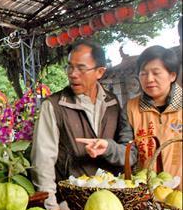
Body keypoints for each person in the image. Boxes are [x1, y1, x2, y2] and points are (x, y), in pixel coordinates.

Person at [31, 39, 134, 210]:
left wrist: (108, 148)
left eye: (81, 68)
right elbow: (43, 160)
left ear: (100, 72)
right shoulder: (54, 106)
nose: (73, 74)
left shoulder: (112, 103)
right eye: (69, 67)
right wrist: (51, 207)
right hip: (70, 206)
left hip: (109, 205)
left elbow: (125, 152)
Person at [77, 45, 182, 182]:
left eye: (156, 73)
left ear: (172, 75)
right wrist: (108, 148)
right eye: (143, 73)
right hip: (145, 193)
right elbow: (130, 153)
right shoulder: (132, 108)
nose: (149, 79)